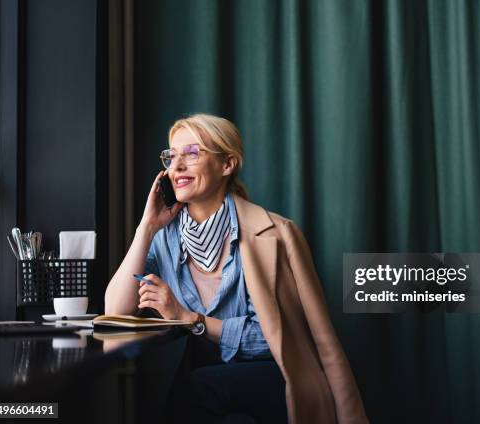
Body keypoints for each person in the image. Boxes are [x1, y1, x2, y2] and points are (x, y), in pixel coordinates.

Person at [104, 114, 368, 423]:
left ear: (227, 164)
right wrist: (146, 228)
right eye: (171, 156)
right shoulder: (165, 238)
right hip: (212, 384)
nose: (175, 167)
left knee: (198, 390)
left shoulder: (274, 234)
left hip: (278, 375)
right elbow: (116, 310)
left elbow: (273, 340)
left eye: (191, 153)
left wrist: (190, 319)